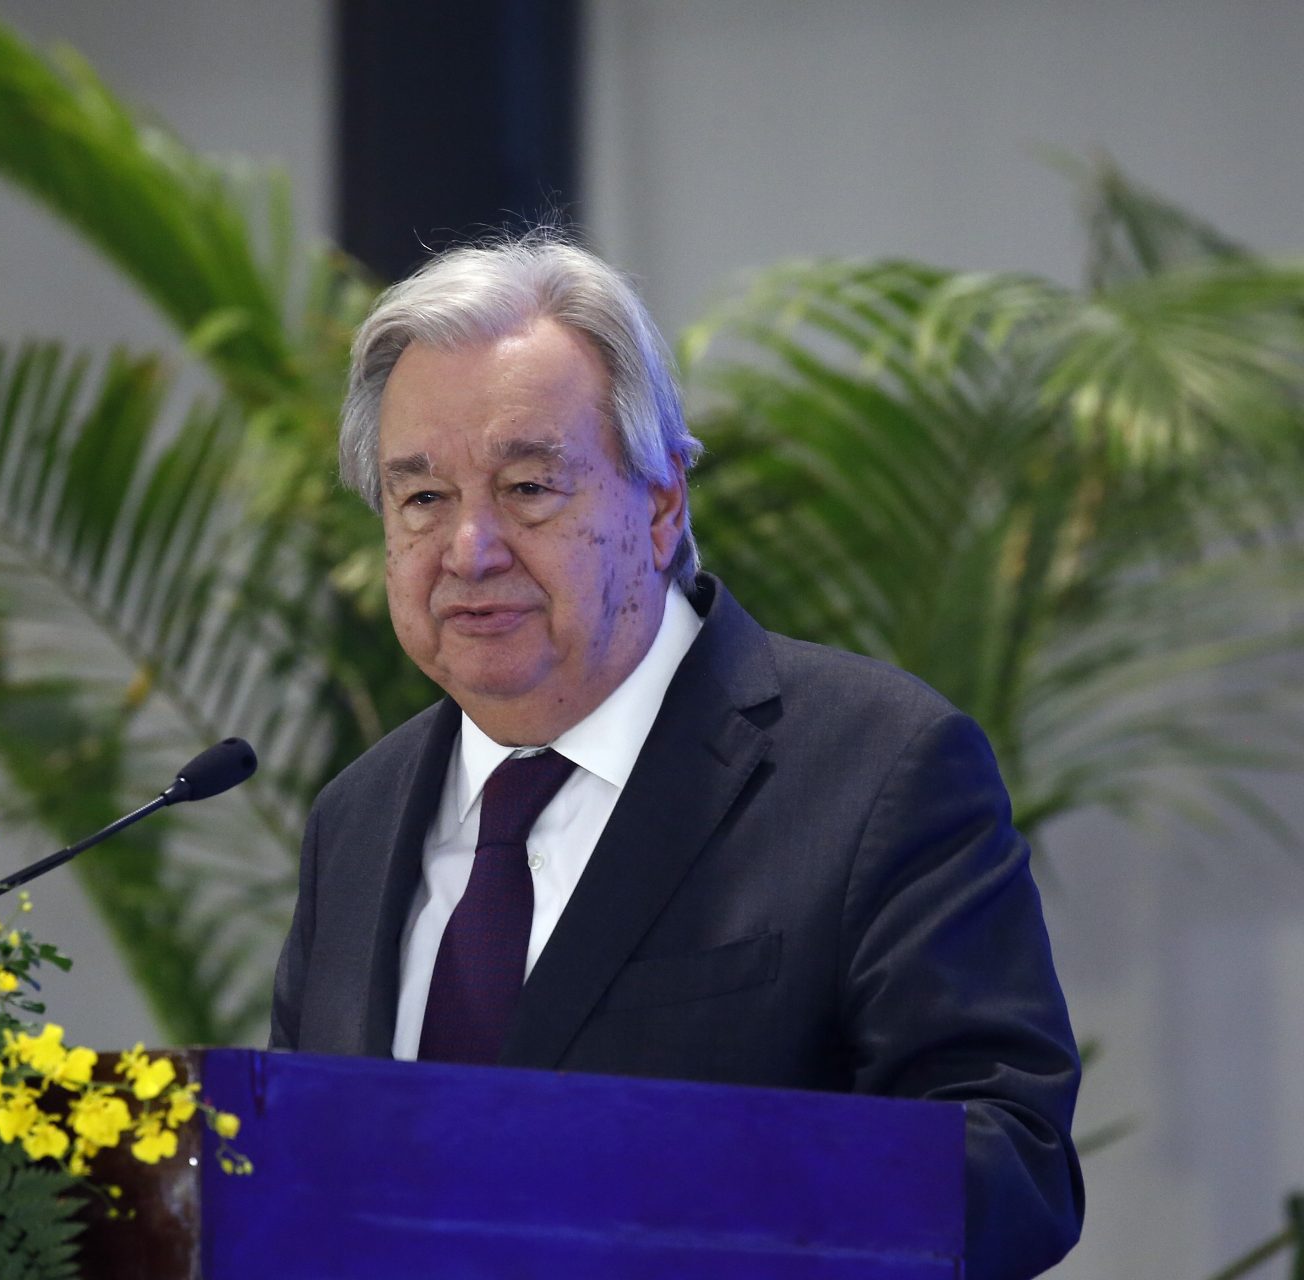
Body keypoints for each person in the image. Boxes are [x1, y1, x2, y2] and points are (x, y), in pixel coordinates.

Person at [269, 233, 1083, 1280]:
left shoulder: (878, 767)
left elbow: (1010, 1164)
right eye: (422, 498)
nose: (469, 550)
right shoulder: (356, 818)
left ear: (660, 506)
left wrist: (663, 1188)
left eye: (528, 486)